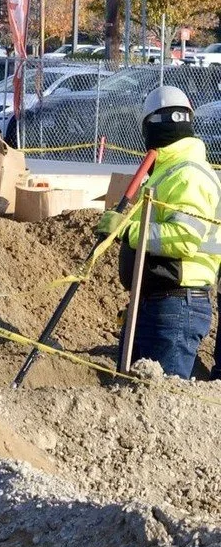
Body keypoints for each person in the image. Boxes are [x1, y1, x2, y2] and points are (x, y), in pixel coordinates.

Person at [97, 85, 221, 378]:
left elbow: (183, 238)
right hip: (156, 300)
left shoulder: (188, 173)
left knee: (158, 401)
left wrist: (127, 230)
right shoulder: (167, 170)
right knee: (131, 393)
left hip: (176, 303)